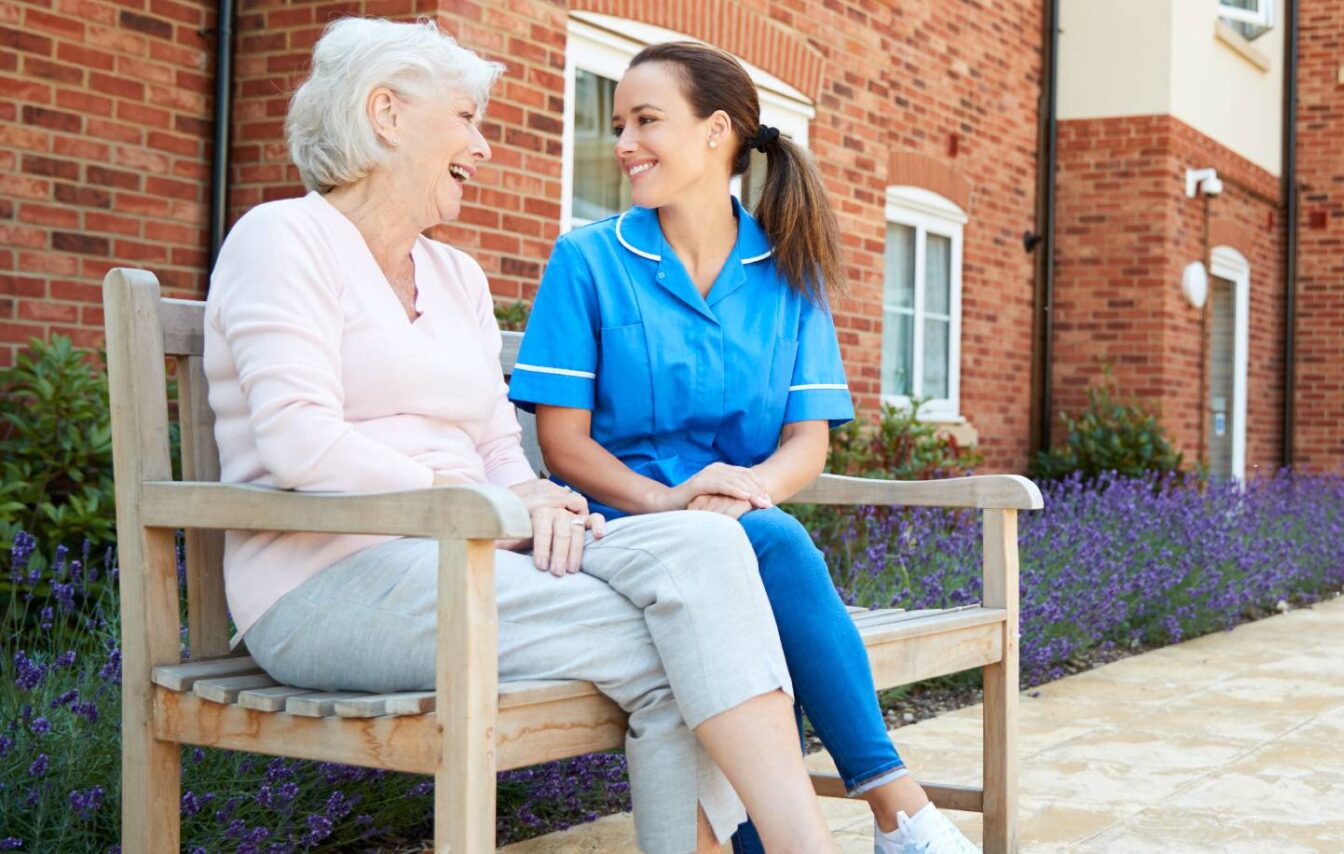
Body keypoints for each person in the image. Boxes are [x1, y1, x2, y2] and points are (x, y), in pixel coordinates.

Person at [203, 18, 833, 853]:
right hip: (327, 579)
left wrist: (536, 494)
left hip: (474, 552)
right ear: (386, 115)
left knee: (710, 551)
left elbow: (499, 444)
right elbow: (299, 443)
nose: (485, 144)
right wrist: (490, 505)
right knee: (680, 639)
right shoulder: (284, 238)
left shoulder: (455, 273)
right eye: (466, 118)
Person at [510, 42, 979, 854]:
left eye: (646, 120)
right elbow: (563, 445)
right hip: (620, 531)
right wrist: (677, 502)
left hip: (739, 533)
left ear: (718, 131)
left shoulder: (787, 272)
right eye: (619, 124)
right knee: (769, 543)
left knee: (755, 556)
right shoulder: (586, 260)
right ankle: (902, 814)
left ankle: (796, 836)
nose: (624, 143)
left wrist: (743, 491)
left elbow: (807, 440)